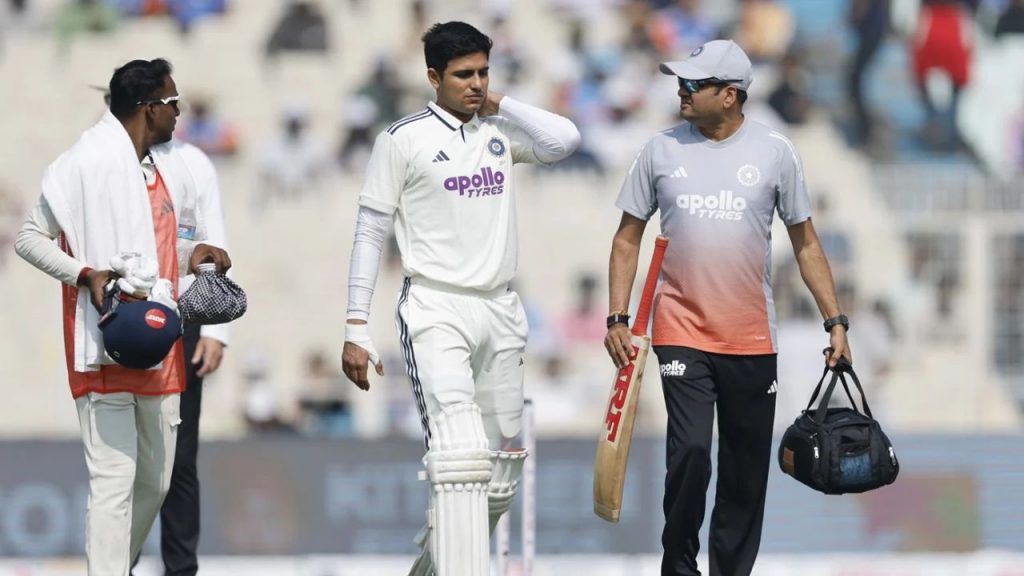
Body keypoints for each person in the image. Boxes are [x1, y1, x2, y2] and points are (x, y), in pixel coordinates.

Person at [603, 40, 851, 576]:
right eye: (681, 82)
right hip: (680, 330)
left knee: (743, 472)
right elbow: (628, 239)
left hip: (750, 338)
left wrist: (835, 321)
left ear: (730, 95)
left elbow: (806, 243)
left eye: (693, 85)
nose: (680, 92)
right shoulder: (660, 149)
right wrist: (617, 316)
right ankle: (679, 566)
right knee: (690, 451)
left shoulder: (775, 152)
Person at [341, 21, 580, 576]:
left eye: (482, 73)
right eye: (463, 75)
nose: (475, 84)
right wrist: (356, 326)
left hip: (500, 308)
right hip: (436, 308)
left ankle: (428, 568)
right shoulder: (402, 139)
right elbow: (370, 232)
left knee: (501, 475)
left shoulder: (498, 132)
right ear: (432, 77)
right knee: (461, 457)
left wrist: (499, 102)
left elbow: (564, 140)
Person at [14, 58, 230, 576]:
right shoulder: (83, 162)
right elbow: (28, 237)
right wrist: (83, 273)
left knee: (155, 481)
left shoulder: (159, 167)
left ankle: (109, 564)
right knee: (114, 480)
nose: (180, 115)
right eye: (173, 104)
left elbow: (154, 254)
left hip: (158, 341)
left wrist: (195, 256)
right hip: (106, 339)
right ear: (149, 108)